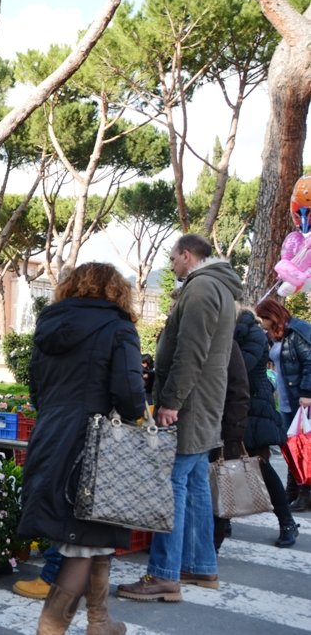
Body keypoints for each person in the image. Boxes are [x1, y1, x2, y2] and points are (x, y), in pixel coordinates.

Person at [17, 262, 147, 634]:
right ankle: (50, 630)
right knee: (81, 545)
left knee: (92, 539)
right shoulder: (118, 327)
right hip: (92, 445)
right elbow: (130, 398)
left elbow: (37, 390)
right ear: (115, 291)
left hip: (52, 437)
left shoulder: (49, 325)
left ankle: (100, 622)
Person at [119, 234, 243, 603]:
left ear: (187, 256)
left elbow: (191, 352)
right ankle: (199, 565)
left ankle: (164, 575)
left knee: (172, 485)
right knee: (194, 485)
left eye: (173, 258)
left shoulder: (202, 288)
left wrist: (170, 401)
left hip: (190, 404)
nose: (171, 265)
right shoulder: (215, 286)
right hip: (202, 402)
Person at [231, 307, 297, 547]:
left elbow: (241, 366)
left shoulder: (252, 333)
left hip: (254, 406)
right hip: (232, 405)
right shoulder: (232, 331)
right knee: (223, 464)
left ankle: (286, 521)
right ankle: (223, 518)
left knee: (260, 465)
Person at [253, 296, 311, 513]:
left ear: (271, 316)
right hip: (288, 400)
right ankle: (292, 490)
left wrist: (307, 393)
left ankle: (303, 494)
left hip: (302, 399)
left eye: (262, 319)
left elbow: (309, 362)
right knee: (291, 447)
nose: (261, 323)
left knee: (303, 448)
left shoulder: (296, 331)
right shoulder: (277, 335)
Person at [211, 340, 252, 551]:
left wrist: (231, 435)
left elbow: (239, 392)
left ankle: (213, 546)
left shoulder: (228, 344)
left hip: (221, 432)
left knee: (219, 489)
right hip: (208, 428)